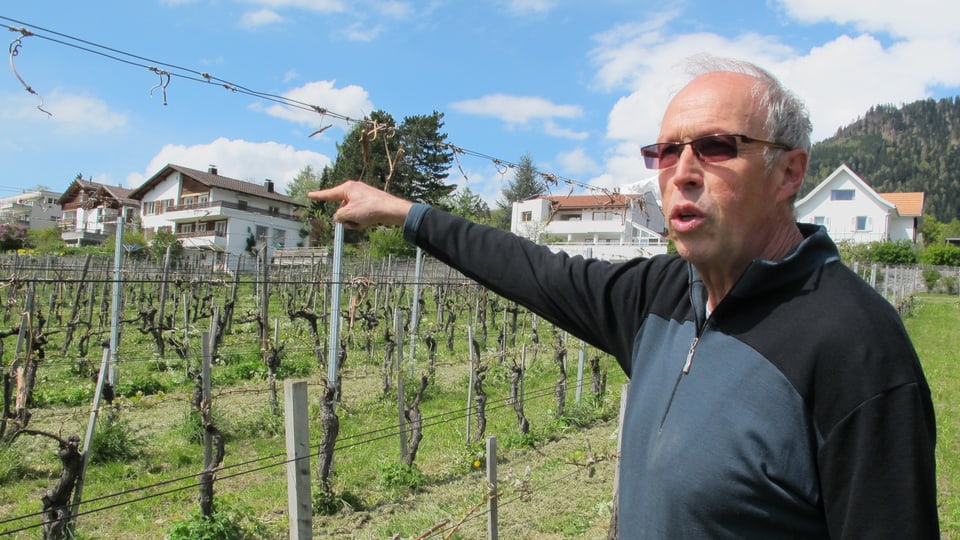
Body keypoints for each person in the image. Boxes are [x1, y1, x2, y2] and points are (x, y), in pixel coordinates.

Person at [309, 55, 939, 538]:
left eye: (717, 147)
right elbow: (533, 269)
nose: (682, 171)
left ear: (790, 172)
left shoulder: (855, 346)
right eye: (665, 152)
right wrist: (406, 214)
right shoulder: (659, 298)